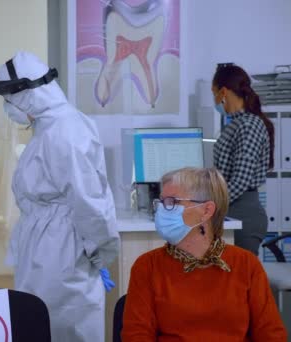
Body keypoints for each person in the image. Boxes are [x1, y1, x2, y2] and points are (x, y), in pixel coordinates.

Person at [0, 52, 119, 341]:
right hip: (51, 249)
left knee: (63, 327)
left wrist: (101, 255)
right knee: (41, 323)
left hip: (63, 254)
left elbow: (90, 203)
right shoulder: (50, 128)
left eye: (9, 98)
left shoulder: (64, 132)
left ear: (30, 95)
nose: (7, 107)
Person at [123, 167, 287, 341]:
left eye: (171, 202)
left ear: (206, 211)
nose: (161, 211)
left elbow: (271, 335)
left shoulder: (246, 264)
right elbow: (136, 336)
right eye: (161, 202)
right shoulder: (147, 266)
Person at [212, 63, 274, 255]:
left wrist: (210, 202)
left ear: (223, 92)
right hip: (230, 210)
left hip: (242, 214)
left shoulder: (249, 125)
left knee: (239, 281)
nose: (214, 99)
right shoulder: (236, 124)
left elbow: (240, 180)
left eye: (214, 93)